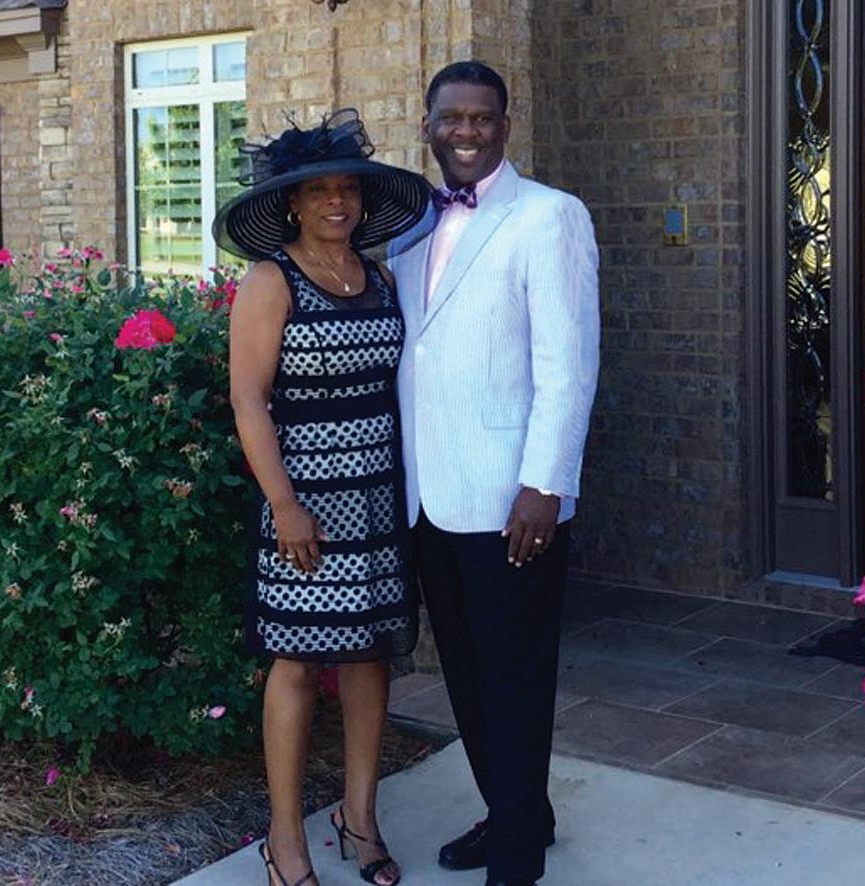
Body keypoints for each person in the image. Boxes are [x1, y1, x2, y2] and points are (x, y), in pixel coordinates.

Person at [388, 62, 600, 886]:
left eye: (482, 118)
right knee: (468, 679)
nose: (466, 131)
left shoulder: (549, 215)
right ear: (429, 128)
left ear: (505, 127)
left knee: (515, 679)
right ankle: (519, 814)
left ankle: (516, 860)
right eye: (452, 118)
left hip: (513, 500)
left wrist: (546, 483)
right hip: (430, 497)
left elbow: (568, 365)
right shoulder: (409, 226)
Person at [214, 109, 432, 886]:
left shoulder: (381, 278)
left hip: (376, 499)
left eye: (348, 189)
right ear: (293, 204)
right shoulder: (271, 281)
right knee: (299, 662)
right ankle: (286, 842)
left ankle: (359, 817)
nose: (337, 201)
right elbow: (248, 399)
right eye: (319, 191)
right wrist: (283, 504)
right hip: (302, 502)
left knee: (370, 656)